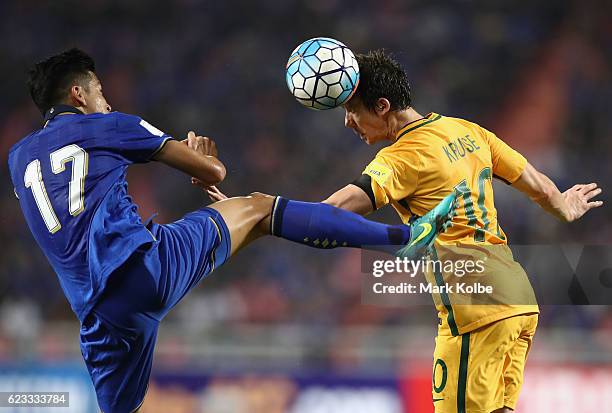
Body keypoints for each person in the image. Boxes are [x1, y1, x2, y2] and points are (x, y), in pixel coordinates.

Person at [7, 48, 456, 413]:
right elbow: (213, 171)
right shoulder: (110, 124)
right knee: (260, 210)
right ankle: (405, 238)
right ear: (78, 94)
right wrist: (202, 156)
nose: (106, 101)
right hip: (142, 269)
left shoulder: (18, 158)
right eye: (100, 92)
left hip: (97, 317)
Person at [211, 49, 604, 413]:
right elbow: (538, 185)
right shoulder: (466, 131)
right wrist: (564, 208)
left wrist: (249, 213)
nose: (348, 121)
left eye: (351, 110)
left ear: (382, 107)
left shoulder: (401, 158)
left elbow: (330, 214)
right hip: (518, 301)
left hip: (476, 311)